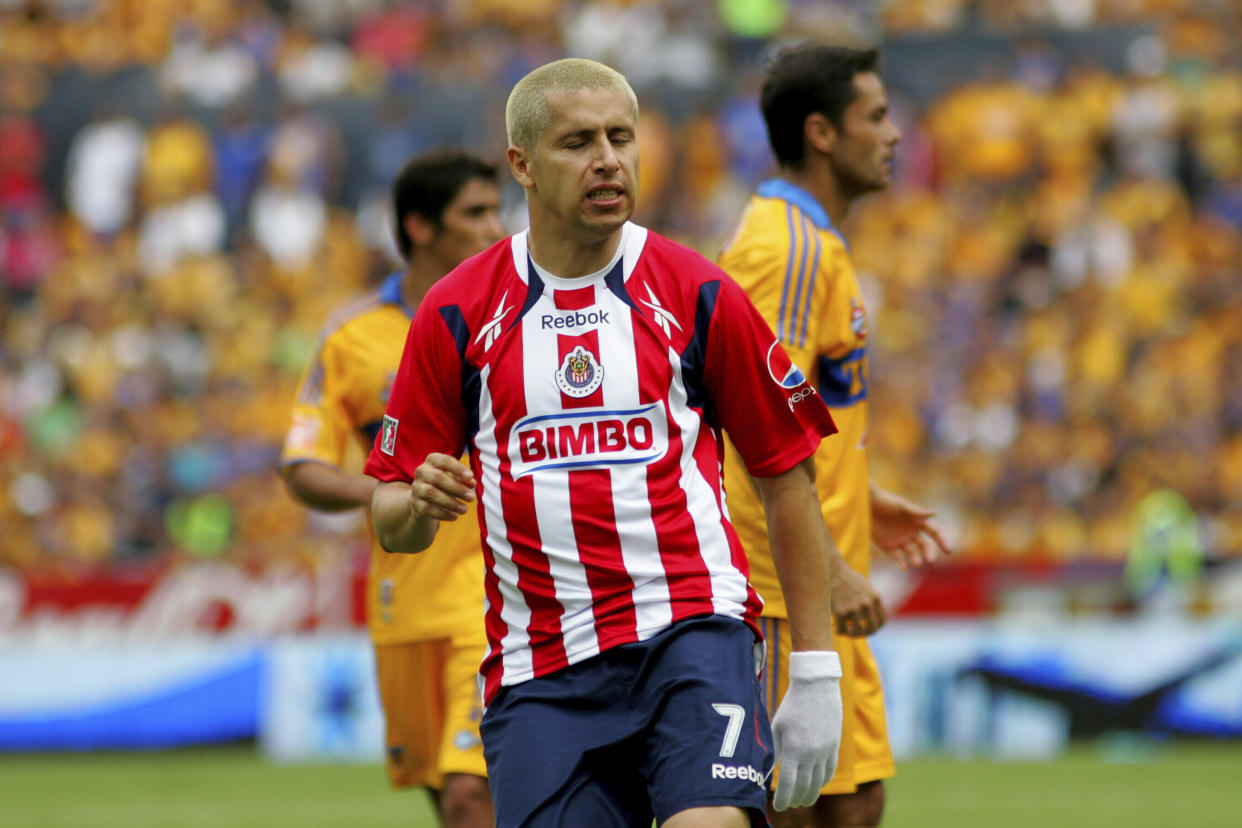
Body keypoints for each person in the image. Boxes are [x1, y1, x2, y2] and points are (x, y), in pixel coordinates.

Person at [366, 58, 846, 828]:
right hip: (542, 672)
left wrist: (818, 673)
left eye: (622, 138)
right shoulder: (457, 313)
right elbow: (388, 509)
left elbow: (788, 474)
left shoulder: (697, 291)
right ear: (521, 163)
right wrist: (417, 504)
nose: (608, 160)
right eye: (578, 142)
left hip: (692, 634)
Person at [718, 43, 953, 828]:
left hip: (820, 567)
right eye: (877, 116)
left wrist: (862, 494)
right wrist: (824, 561)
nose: (894, 135)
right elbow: (750, 424)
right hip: (787, 585)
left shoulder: (811, 242)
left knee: (855, 803)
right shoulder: (783, 249)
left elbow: (798, 416)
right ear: (821, 133)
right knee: (798, 806)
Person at [281, 150, 506, 828]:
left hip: (495, 598)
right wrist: (388, 491)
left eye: (497, 210)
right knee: (450, 799)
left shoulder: (519, 317)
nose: (495, 227)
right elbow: (300, 465)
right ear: (420, 226)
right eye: (476, 213)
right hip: (403, 599)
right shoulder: (352, 337)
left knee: (475, 794)